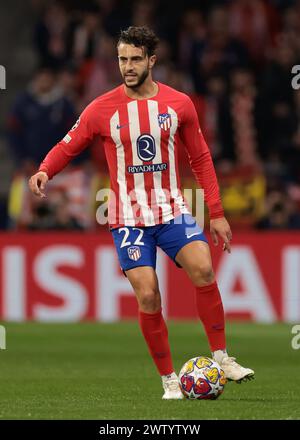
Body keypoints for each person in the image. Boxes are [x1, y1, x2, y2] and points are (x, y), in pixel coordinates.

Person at [28, 26, 254, 399]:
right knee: (148, 296)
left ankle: (222, 357)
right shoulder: (101, 108)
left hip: (171, 209)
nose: (127, 67)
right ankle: (169, 381)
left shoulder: (179, 104)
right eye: (122, 59)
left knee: (204, 268)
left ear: (152, 60)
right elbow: (70, 143)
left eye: (135, 59)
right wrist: (45, 170)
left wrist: (216, 212)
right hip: (128, 217)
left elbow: (200, 157)